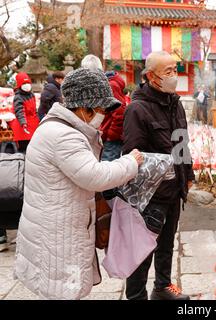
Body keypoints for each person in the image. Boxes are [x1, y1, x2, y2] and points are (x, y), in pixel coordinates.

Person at [13, 68, 144, 300]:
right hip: (58, 235)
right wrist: (130, 162)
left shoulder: (56, 127)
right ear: (85, 108)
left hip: (53, 227)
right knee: (63, 291)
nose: (103, 115)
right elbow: (95, 176)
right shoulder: (65, 136)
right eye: (101, 109)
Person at [122, 51, 195, 300]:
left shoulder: (175, 102)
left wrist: (189, 174)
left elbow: (181, 142)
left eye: (176, 70)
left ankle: (163, 287)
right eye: (168, 72)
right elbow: (132, 155)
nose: (174, 76)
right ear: (151, 76)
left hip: (175, 188)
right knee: (142, 250)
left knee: (167, 245)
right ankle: (136, 295)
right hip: (151, 194)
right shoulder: (137, 109)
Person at [8, 72, 39, 153]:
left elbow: (35, 109)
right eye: (24, 83)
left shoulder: (32, 94)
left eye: (28, 82)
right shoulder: (18, 97)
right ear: (19, 85)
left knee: (34, 147)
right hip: (22, 124)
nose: (27, 85)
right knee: (24, 148)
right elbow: (19, 111)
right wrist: (23, 123)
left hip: (33, 122)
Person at [100, 70, 127, 162]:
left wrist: (112, 134)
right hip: (107, 134)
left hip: (111, 137)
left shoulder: (111, 85)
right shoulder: (109, 84)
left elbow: (120, 111)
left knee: (107, 167)